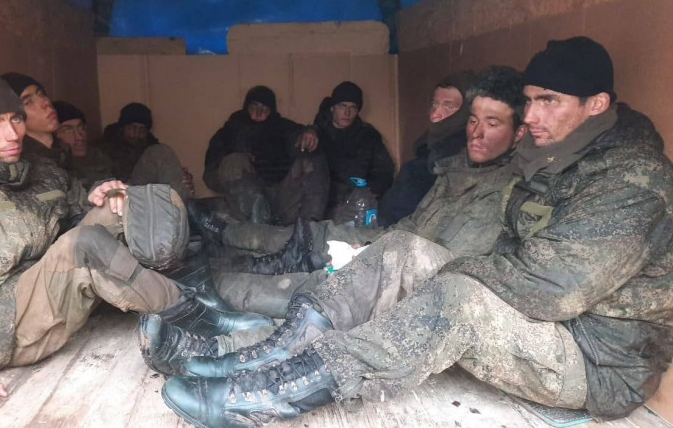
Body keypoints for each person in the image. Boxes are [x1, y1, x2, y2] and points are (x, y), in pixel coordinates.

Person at [159, 37, 673, 428]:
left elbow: (553, 288)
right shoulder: (560, 154)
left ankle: (276, 394)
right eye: (531, 101)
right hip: (537, 318)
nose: (533, 115)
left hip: (594, 359)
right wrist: (423, 267)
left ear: (597, 104)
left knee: (457, 296)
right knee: (403, 250)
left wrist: (442, 277)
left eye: (549, 101)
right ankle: (271, 354)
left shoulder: (633, 181)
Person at [0, 74, 271, 414]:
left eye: (15, 119)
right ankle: (198, 321)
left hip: (36, 289)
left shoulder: (32, 167)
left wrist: (102, 193)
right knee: (85, 245)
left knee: (126, 205)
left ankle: (199, 294)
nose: (11, 134)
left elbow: (75, 210)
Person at [144, 65, 526, 352]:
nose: (476, 131)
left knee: (315, 293)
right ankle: (211, 271)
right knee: (308, 252)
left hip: (392, 264)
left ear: (518, 132)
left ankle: (211, 335)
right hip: (374, 240)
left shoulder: (502, 190)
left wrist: (367, 218)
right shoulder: (452, 168)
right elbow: (411, 227)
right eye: (472, 120)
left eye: (490, 123)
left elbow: (442, 264)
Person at [203, 85, 329, 225]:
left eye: (264, 108)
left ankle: (309, 226)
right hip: (245, 203)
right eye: (254, 106)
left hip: (283, 198)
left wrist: (309, 133)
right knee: (234, 161)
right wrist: (238, 168)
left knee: (312, 154)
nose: (258, 112)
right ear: (246, 107)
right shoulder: (228, 133)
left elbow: (296, 137)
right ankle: (258, 223)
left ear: (271, 110)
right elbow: (210, 176)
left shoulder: (282, 127)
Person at [378, 71, 477, 226]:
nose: (435, 114)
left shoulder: (467, 158)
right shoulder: (426, 151)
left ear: (466, 112)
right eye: (434, 104)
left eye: (448, 106)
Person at [313, 81, 394, 220]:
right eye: (342, 106)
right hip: (322, 205)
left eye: (353, 107)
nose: (347, 112)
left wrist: (367, 192)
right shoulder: (317, 135)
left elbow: (384, 172)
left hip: (358, 205)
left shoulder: (368, 136)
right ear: (332, 108)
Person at [101, 102, 194, 200]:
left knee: (162, 153)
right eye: (131, 128)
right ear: (122, 127)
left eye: (141, 130)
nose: (135, 134)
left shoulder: (151, 148)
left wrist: (181, 178)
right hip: (122, 195)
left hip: (150, 197)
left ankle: (185, 203)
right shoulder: (106, 149)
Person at [1, 72, 70, 168]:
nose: (46, 103)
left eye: (41, 94)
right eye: (28, 102)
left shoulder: (65, 149)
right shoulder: (23, 165)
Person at [52, 100, 114, 191]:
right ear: (53, 136)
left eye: (81, 128)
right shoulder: (52, 168)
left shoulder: (99, 158)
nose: (79, 137)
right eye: (67, 130)